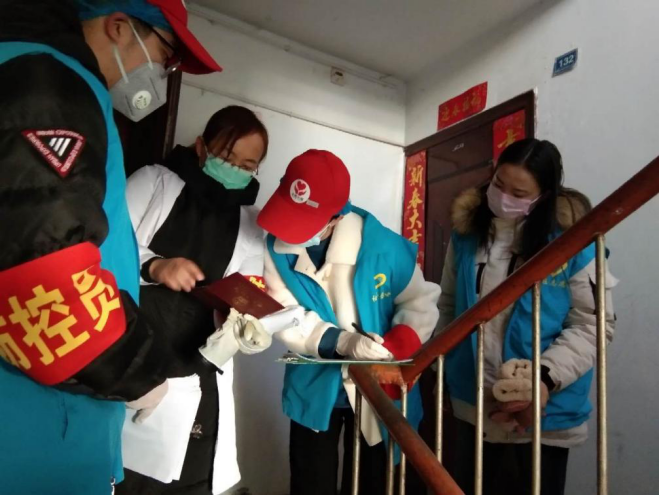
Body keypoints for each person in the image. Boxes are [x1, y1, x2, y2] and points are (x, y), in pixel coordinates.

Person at [0, 1, 224, 493]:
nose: (164, 75)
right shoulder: (48, 85)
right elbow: (40, 278)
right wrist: (140, 375)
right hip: (31, 436)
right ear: (120, 27)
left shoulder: (46, 76)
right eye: (166, 57)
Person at [118, 106, 302, 494]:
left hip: (199, 365)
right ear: (202, 147)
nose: (234, 169)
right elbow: (107, 249)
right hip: (133, 352)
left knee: (191, 475)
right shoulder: (155, 182)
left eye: (247, 165)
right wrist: (155, 266)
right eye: (226, 157)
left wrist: (246, 327)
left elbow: (251, 290)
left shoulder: (250, 221)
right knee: (128, 473)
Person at [438, 139, 617, 495]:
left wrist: (543, 379)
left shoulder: (573, 241)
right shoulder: (467, 235)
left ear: (543, 196)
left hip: (544, 415)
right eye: (499, 184)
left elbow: (593, 324)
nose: (504, 197)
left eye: (519, 193)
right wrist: (440, 368)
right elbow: (448, 305)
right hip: (475, 405)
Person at [257, 150, 441, 495]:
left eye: (306, 221)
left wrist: (392, 350)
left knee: (376, 478)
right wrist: (341, 342)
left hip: (378, 383)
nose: (290, 233)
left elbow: (420, 302)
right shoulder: (274, 247)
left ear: (337, 217)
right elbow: (281, 310)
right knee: (311, 480)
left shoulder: (383, 248)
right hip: (314, 383)